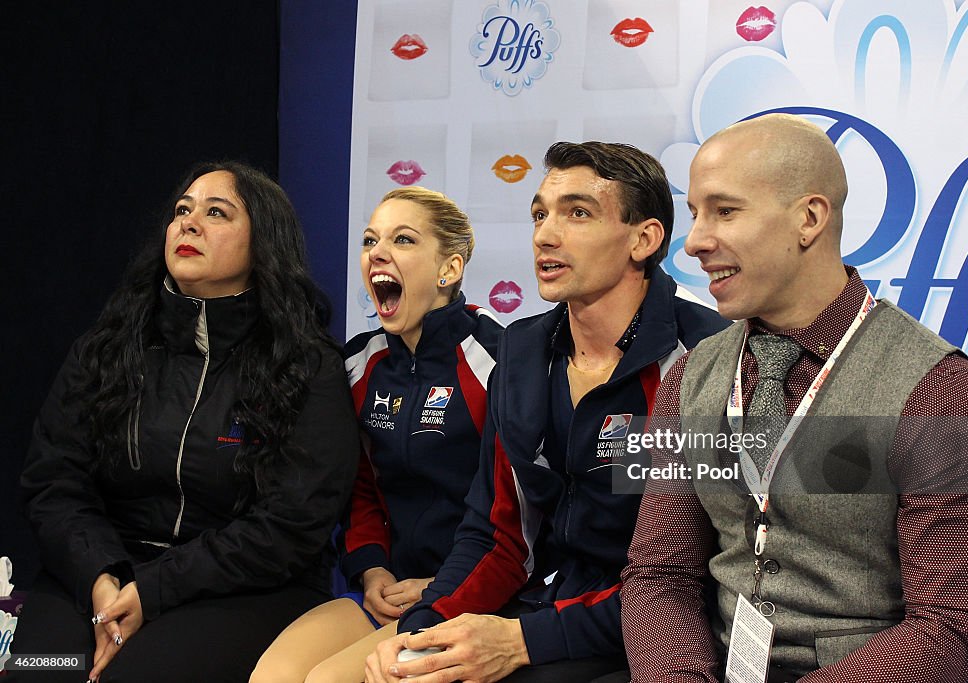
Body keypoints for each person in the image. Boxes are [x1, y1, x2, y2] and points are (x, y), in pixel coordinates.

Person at [620, 113, 968, 682]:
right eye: (697, 214)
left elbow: (951, 624)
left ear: (809, 218)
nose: (697, 242)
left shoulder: (943, 390)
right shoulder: (691, 376)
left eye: (724, 211)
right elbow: (660, 572)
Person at [365, 141, 729, 683]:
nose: (545, 234)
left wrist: (524, 640)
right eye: (540, 214)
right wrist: (422, 630)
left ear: (644, 238)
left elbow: (697, 578)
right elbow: (496, 535)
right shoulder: (521, 353)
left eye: (577, 213)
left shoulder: (708, 358)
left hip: (660, 637)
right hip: (543, 611)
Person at [15, 161, 360, 682]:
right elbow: (54, 483)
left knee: (132, 677)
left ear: (262, 244)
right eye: (182, 210)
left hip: (242, 590)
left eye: (216, 212)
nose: (188, 223)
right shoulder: (107, 349)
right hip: (102, 576)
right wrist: (103, 579)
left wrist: (153, 590)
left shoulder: (307, 367)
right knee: (44, 672)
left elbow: (291, 526)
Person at [250, 186, 502, 683]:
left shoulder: (500, 360)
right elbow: (360, 485)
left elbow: (513, 509)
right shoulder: (357, 365)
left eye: (403, 240)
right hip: (387, 588)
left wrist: (440, 583)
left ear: (448, 270)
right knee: (272, 677)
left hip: (475, 591)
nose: (378, 253)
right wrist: (370, 570)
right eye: (370, 241)